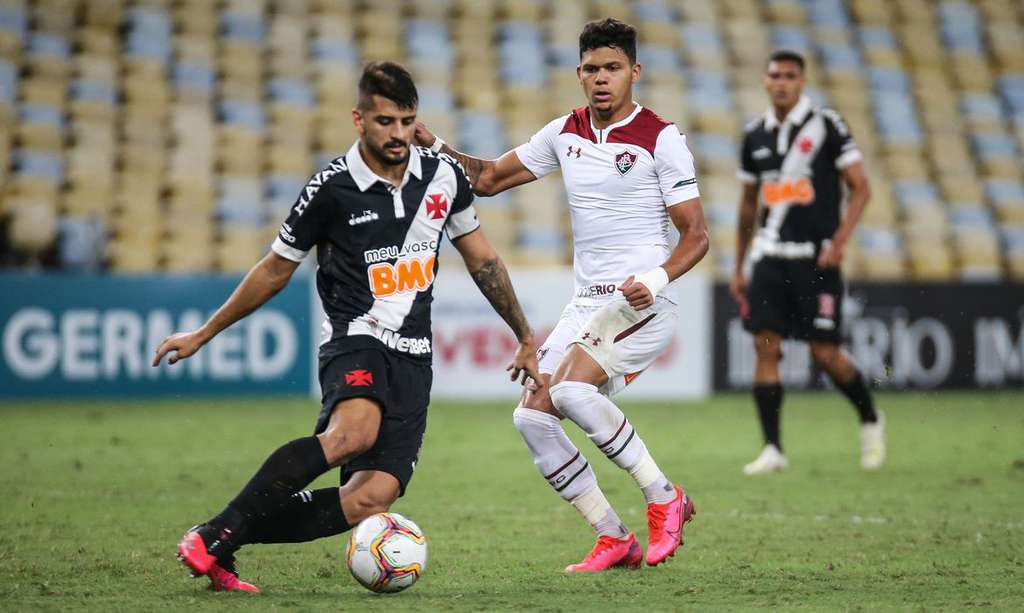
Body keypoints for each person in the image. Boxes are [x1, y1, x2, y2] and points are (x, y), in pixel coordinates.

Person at [153, 61, 540, 592]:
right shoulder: (331, 188)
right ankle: (219, 532)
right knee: (352, 434)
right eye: (385, 121)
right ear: (359, 120)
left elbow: (484, 261)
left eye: (407, 121)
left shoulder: (442, 177)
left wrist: (523, 334)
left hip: (414, 356)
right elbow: (274, 269)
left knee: (368, 499)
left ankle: (222, 537)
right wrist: (204, 332)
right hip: (355, 338)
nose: (398, 134)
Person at [414, 18, 708, 572]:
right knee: (533, 416)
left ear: (634, 72)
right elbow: (488, 179)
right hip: (587, 306)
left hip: (644, 302)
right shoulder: (563, 133)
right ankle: (612, 536)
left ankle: (665, 497)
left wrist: (656, 279)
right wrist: (439, 147)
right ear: (579, 74)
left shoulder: (660, 138)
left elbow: (697, 235)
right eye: (592, 69)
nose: (602, 79)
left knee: (570, 392)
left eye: (613, 68)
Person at [731, 50, 885, 475]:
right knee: (765, 347)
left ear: (802, 82)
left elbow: (861, 188)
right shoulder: (755, 135)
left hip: (816, 260)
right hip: (768, 256)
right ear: (764, 81)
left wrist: (839, 241)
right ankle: (773, 449)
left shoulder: (826, 126)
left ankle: (870, 417)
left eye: (790, 76)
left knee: (825, 353)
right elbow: (747, 207)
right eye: (775, 75)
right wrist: (739, 265)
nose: (781, 82)